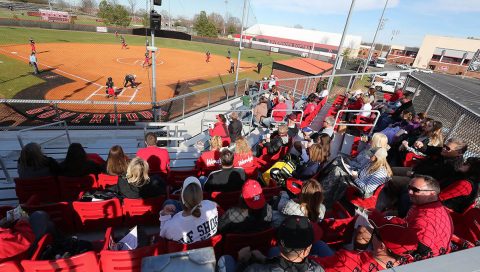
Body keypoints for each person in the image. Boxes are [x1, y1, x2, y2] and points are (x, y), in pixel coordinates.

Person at [316, 210, 418, 271]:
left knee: (318, 244)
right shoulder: (412, 262)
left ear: (382, 246)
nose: (371, 231)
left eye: (375, 232)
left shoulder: (347, 260)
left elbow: (308, 265)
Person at [217, 215, 325, 272]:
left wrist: (242, 262)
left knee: (226, 259)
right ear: (307, 250)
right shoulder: (318, 269)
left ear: (279, 245)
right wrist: (265, 260)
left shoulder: (255, 269)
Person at [159, 177, 218, 244]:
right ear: (201, 195)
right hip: (209, 250)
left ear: (181, 196)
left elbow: (162, 236)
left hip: (185, 253)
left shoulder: (171, 226)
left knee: (168, 202)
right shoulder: (211, 205)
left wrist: (164, 215)